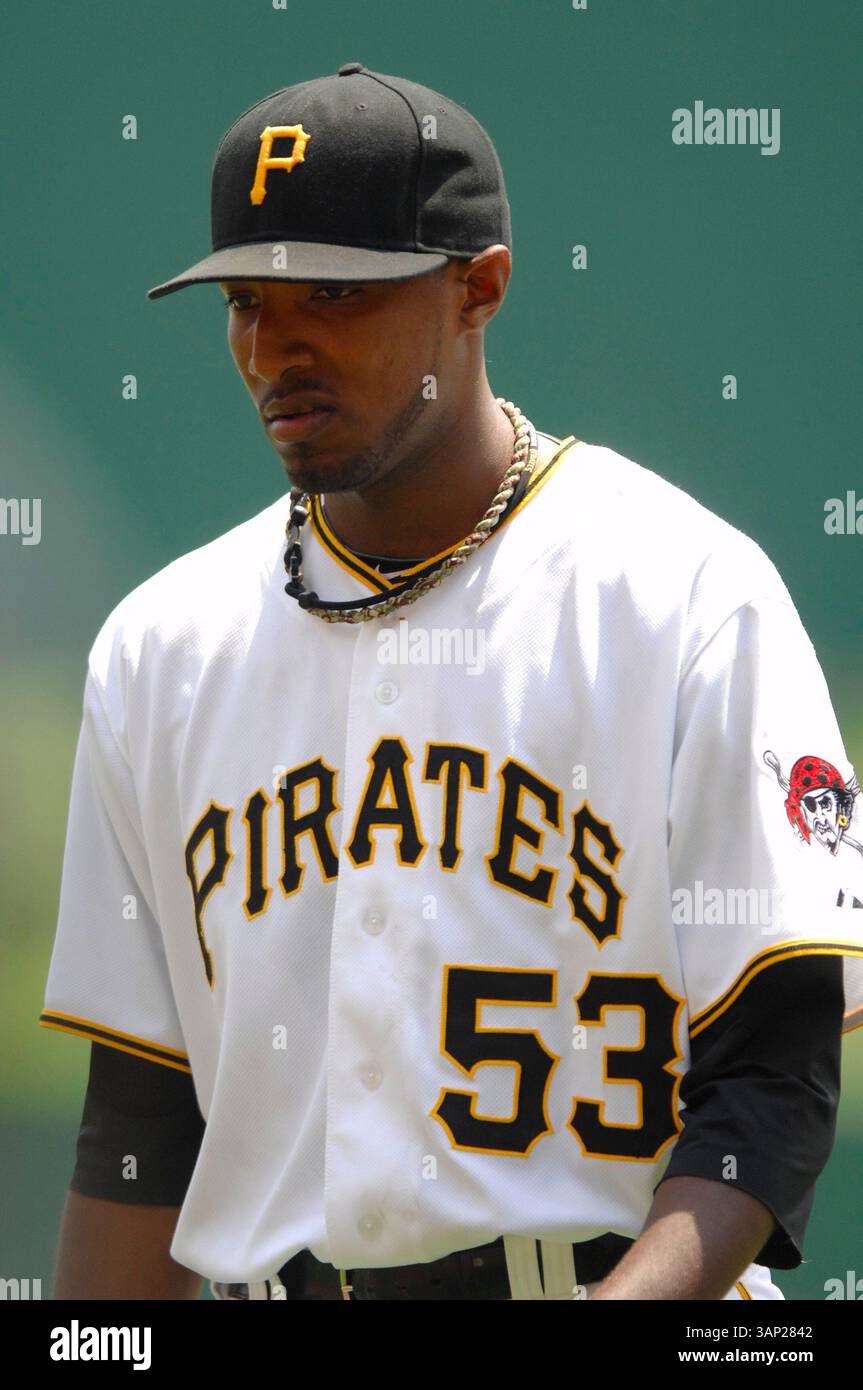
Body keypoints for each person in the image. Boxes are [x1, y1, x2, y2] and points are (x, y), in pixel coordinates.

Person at [41, 62, 863, 1302]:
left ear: (478, 287)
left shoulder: (683, 596)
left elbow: (775, 1075)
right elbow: (143, 1122)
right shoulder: (160, 649)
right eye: (244, 300)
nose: (275, 347)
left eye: (333, 293)